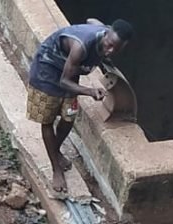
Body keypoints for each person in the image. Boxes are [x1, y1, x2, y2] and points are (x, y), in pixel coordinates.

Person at [27, 19, 134, 195]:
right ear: (106, 35)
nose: (110, 51)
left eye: (116, 48)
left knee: (69, 116)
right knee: (48, 119)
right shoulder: (80, 47)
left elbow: (91, 20)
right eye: (109, 45)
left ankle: (55, 151)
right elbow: (64, 81)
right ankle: (56, 169)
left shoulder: (104, 32)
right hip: (47, 69)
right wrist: (89, 91)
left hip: (69, 70)